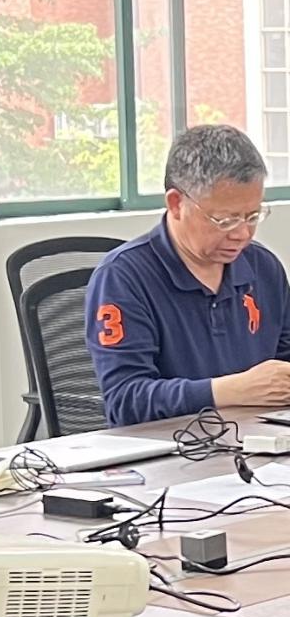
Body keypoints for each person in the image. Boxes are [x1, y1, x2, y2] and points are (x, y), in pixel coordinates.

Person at [86, 124, 290, 427]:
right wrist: (228, 391)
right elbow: (125, 400)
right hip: (171, 447)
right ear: (176, 204)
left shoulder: (263, 267)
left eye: (252, 216)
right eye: (225, 220)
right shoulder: (123, 277)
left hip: (257, 442)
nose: (242, 234)